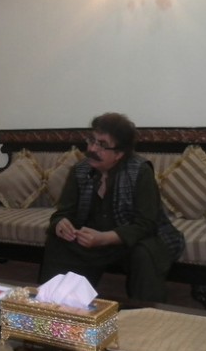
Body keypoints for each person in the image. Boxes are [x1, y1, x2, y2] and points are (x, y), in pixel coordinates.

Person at [39, 112, 184, 303]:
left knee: (144, 253)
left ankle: (145, 313)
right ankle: (53, 304)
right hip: (92, 240)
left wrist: (105, 238)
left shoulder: (140, 171)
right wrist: (60, 224)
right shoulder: (80, 170)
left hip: (131, 241)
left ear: (119, 153)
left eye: (101, 145)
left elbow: (146, 223)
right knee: (57, 243)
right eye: (91, 140)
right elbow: (63, 213)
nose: (91, 148)